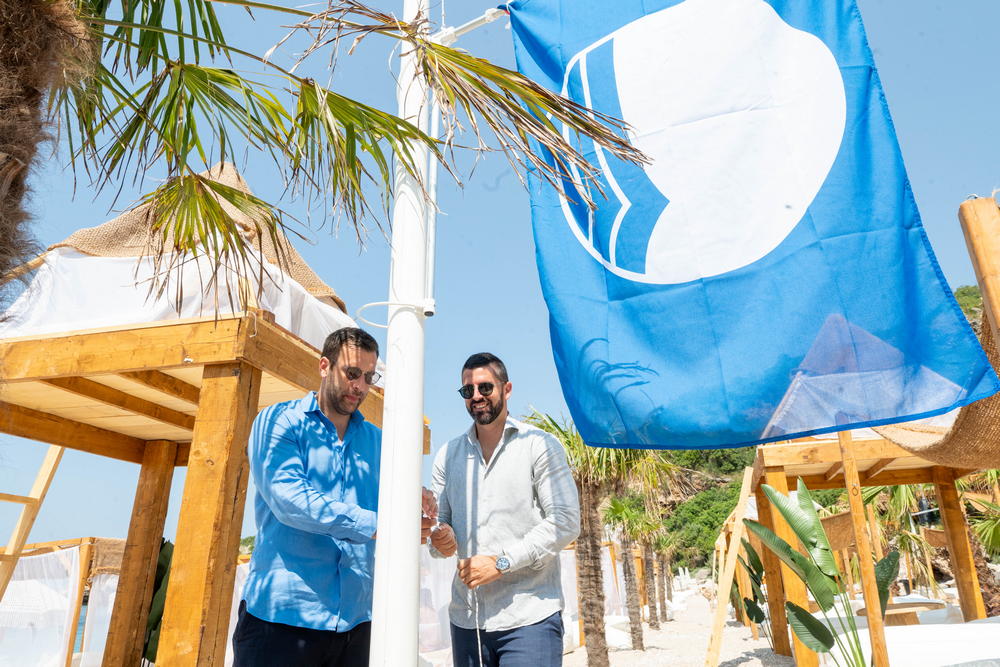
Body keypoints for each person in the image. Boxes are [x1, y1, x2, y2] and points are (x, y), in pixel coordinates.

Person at [233, 326, 436, 667]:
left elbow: (397, 499)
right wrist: (385, 525)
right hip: (280, 622)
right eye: (352, 373)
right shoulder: (278, 421)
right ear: (324, 366)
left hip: (358, 625)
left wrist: (414, 497)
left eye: (369, 378)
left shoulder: (381, 442)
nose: (361, 387)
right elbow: (289, 499)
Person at [429, 352, 580, 667]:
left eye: (485, 387)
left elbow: (565, 522)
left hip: (529, 618)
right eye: (468, 390)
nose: (476, 396)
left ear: (506, 389)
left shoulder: (539, 445)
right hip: (467, 621)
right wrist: (440, 539)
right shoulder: (447, 455)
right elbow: (440, 527)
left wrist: (501, 563)